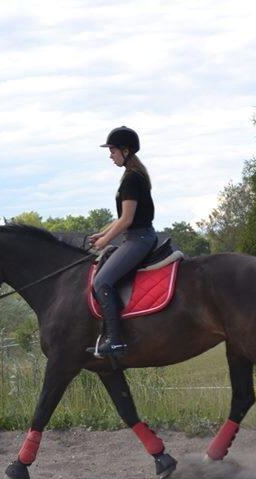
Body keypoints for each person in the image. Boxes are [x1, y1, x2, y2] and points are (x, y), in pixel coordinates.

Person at [87, 126, 158, 358]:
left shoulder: (130, 179)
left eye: (113, 150)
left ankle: (115, 341)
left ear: (125, 151)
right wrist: (102, 232)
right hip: (138, 236)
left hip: (139, 239)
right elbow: (122, 218)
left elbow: (127, 220)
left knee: (102, 281)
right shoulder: (134, 175)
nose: (110, 155)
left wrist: (106, 240)